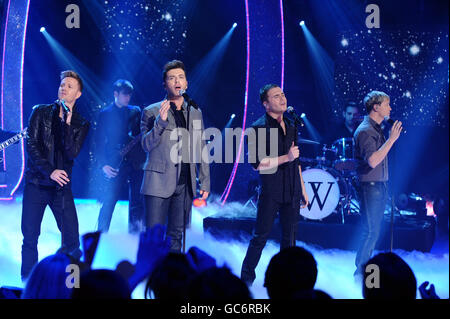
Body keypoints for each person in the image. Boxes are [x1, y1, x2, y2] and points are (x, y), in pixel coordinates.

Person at [21, 70, 89, 280]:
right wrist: (49, 171)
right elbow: (31, 146)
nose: (63, 88)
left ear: (78, 94)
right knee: (30, 237)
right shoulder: (40, 112)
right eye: (62, 84)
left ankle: (73, 285)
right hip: (36, 183)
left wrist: (66, 124)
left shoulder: (81, 123)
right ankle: (27, 283)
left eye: (69, 86)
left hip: (61, 188)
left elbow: (71, 152)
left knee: (71, 240)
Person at [240, 84, 309, 285]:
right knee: (260, 237)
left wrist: (302, 188)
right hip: (271, 190)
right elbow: (256, 164)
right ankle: (246, 281)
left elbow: (295, 161)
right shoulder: (257, 128)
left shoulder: (292, 124)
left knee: (290, 238)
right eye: (276, 96)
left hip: (292, 189)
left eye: (283, 94)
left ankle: (285, 281)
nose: (282, 98)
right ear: (265, 103)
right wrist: (285, 157)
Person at [140, 60, 210, 252]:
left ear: (186, 83)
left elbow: (201, 147)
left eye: (181, 77)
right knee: (153, 237)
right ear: (165, 84)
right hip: (158, 181)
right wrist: (160, 123)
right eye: (171, 78)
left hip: (185, 184)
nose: (177, 81)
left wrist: (204, 180)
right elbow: (146, 145)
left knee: (177, 236)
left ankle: (172, 280)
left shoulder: (195, 112)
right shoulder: (152, 111)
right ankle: (150, 278)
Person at [353, 91, 402, 277]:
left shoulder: (376, 128)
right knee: (371, 230)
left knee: (373, 230)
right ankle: (361, 273)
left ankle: (364, 271)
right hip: (370, 186)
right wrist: (391, 140)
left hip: (379, 185)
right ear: (376, 107)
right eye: (387, 104)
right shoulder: (366, 130)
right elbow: (373, 161)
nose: (390, 108)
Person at [96, 79, 145, 234]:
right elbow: (97, 142)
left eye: (129, 95)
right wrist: (103, 164)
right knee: (110, 201)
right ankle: (101, 235)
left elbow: (141, 135)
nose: (127, 98)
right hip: (115, 163)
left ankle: (134, 235)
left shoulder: (136, 111)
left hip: (136, 162)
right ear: (115, 94)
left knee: (137, 202)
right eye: (124, 94)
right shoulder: (105, 114)